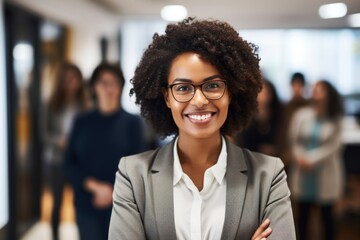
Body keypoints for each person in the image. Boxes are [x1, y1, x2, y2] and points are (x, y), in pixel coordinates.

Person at [109, 17, 296, 240]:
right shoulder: (133, 175)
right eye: (183, 88)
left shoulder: (269, 175)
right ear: (167, 97)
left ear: (231, 92)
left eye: (213, 85)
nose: (199, 100)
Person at [64, 62, 147, 240]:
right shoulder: (82, 121)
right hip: (86, 203)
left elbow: (138, 166)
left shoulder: (132, 123)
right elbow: (68, 164)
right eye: (103, 82)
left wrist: (112, 191)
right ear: (94, 87)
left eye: (114, 82)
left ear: (121, 87)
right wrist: (94, 187)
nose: (109, 88)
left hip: (122, 205)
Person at [289, 80, 344, 240]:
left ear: (329, 94)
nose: (316, 93)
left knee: (327, 218)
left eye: (320, 90)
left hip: (325, 172)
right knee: (303, 217)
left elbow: (334, 146)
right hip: (302, 171)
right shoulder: (302, 115)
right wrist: (301, 158)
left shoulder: (336, 118)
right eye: (314, 90)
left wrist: (311, 160)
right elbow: (293, 140)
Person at [43, 62, 90, 240]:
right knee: (57, 202)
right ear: (61, 82)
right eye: (69, 79)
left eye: (76, 79)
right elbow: (44, 133)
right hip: (56, 160)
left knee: (79, 202)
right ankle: (54, 236)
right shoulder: (51, 103)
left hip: (77, 160)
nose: (74, 83)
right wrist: (59, 141)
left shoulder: (83, 103)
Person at [234, 78, 283, 157]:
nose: (263, 98)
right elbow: (243, 141)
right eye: (259, 93)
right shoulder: (246, 116)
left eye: (266, 93)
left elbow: (282, 139)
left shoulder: (278, 115)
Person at [279, 72, 309, 169]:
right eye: (294, 85)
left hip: (305, 150)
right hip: (287, 150)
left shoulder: (309, 106)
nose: (297, 89)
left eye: (299, 85)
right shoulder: (285, 106)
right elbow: (283, 130)